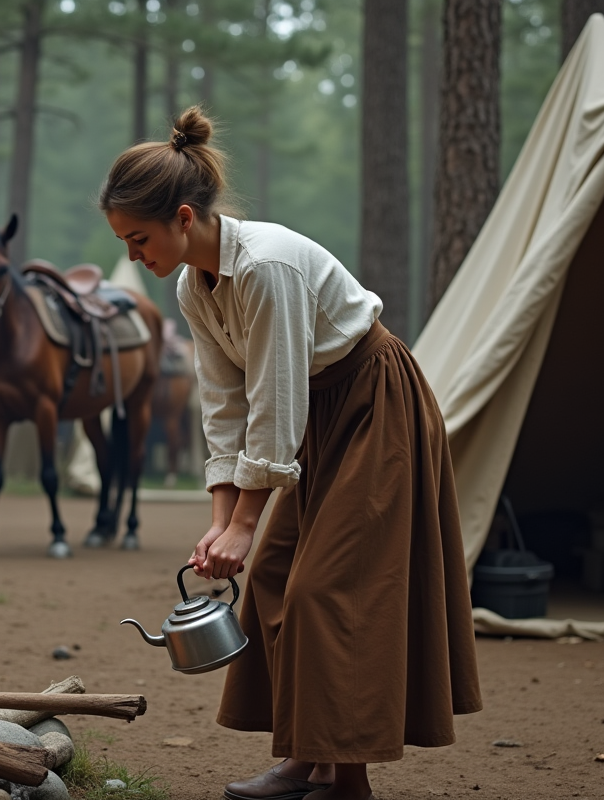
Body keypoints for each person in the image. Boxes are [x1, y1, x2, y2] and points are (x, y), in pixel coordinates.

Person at [98, 107, 482, 800]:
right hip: (311, 418)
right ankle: (307, 759)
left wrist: (247, 522)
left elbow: (275, 398)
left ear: (183, 217)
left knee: (327, 588)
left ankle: (348, 777)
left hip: (372, 406)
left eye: (138, 238)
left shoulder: (266, 267)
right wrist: (222, 519)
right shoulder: (194, 284)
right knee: (273, 580)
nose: (133, 256)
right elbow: (225, 404)